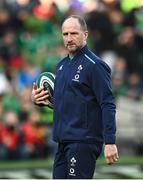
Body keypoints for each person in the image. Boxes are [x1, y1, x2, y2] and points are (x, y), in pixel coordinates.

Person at [31, 15, 119, 179]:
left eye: (74, 33)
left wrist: (110, 141)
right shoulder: (62, 66)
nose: (69, 38)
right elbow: (64, 102)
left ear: (85, 35)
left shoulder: (95, 66)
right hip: (63, 142)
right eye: (65, 34)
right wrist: (38, 100)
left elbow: (108, 104)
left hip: (83, 142)